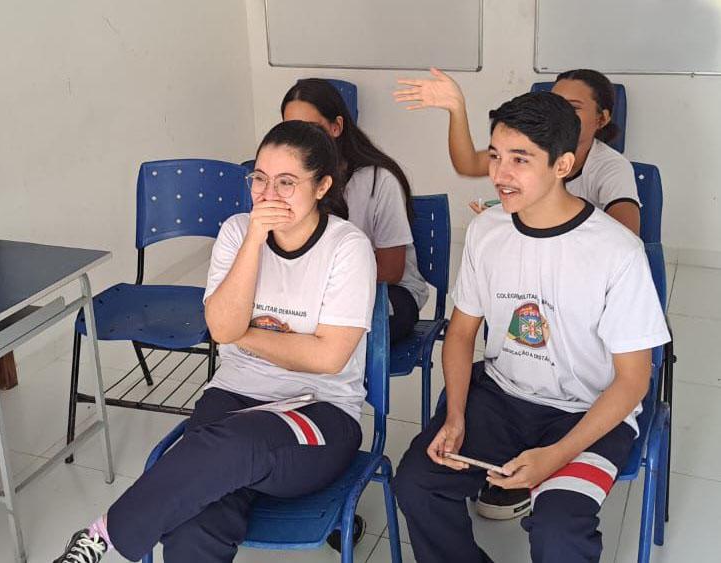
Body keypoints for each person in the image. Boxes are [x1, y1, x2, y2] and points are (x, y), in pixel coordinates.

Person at [52, 120, 375, 563]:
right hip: (232, 396)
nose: (267, 195)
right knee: (192, 528)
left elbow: (328, 356)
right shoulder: (236, 231)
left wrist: (244, 331)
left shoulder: (347, 247)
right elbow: (223, 329)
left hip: (319, 412)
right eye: (259, 180)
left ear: (321, 186)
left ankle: (103, 534)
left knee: (235, 444)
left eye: (286, 183)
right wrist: (254, 241)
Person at [391, 91, 670, 563]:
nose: (500, 174)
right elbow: (460, 334)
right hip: (502, 398)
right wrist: (456, 415)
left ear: (562, 165)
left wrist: (558, 454)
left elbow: (632, 382)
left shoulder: (617, 251)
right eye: (496, 156)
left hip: (589, 413)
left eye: (520, 160)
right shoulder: (487, 230)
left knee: (559, 530)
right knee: (418, 482)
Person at [394, 68, 640, 236]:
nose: (561, 114)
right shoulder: (531, 150)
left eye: (573, 107)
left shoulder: (610, 168)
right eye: (555, 103)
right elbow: (468, 164)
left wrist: (517, 221)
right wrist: (456, 109)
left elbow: (625, 239)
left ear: (602, 118)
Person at [282, 78, 428, 340]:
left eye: (312, 128)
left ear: (336, 127)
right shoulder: (292, 179)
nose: (301, 140)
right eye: (291, 129)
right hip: (319, 289)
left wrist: (321, 283)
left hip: (386, 290)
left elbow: (392, 271)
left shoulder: (378, 180)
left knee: (333, 334)